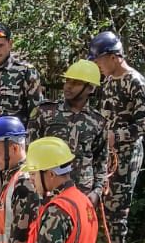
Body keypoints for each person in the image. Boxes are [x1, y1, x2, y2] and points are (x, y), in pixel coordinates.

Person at [89, 30, 145, 243]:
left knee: (118, 203)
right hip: (107, 152)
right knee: (101, 199)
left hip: (127, 153)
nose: (97, 65)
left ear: (114, 56)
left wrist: (117, 136)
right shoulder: (108, 81)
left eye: (99, 59)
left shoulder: (135, 81)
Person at [29, 60, 109, 205]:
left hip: (83, 194)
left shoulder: (98, 121)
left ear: (90, 88)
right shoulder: (45, 112)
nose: (69, 86)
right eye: (68, 81)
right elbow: (30, 152)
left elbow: (101, 162)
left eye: (76, 83)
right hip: (49, 190)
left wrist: (97, 192)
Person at [0, 21, 43, 133]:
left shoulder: (26, 72)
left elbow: (36, 114)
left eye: (0, 45)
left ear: (10, 44)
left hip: (15, 140)